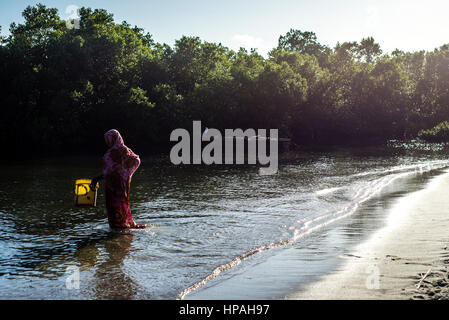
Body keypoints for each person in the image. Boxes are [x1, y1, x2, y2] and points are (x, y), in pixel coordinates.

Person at [91, 129, 146, 229]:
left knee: (116, 205)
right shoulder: (124, 150)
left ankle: (120, 227)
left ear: (114, 138)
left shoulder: (114, 153)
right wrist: (125, 173)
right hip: (119, 185)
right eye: (106, 140)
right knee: (121, 204)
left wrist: (96, 179)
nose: (107, 142)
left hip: (115, 186)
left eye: (109, 139)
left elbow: (110, 171)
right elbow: (136, 161)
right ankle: (124, 225)